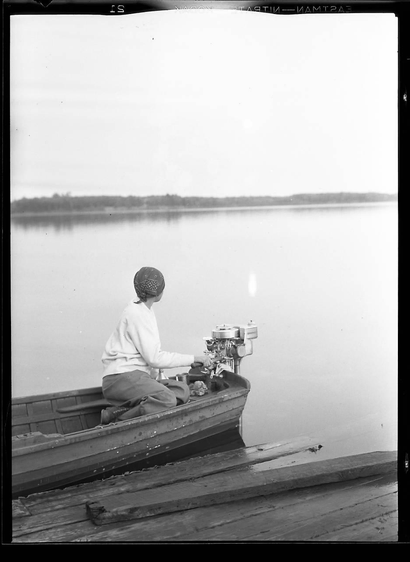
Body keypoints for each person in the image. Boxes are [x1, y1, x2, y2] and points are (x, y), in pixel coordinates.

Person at [100, 266, 213, 424]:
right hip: (120, 378)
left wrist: (157, 379)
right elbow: (154, 359)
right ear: (159, 291)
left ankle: (117, 411)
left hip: (135, 376)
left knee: (182, 391)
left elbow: (149, 358)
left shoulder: (143, 309)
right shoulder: (136, 314)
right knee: (167, 399)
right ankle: (117, 419)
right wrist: (192, 358)